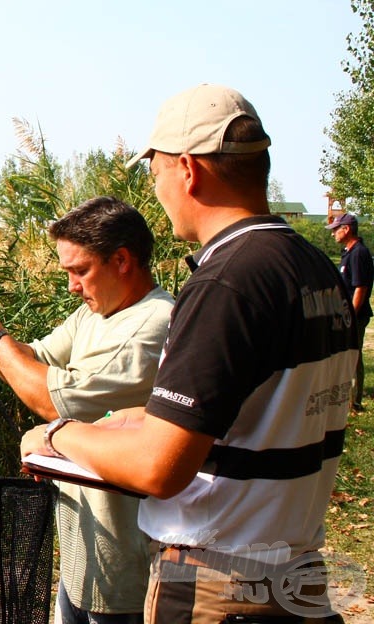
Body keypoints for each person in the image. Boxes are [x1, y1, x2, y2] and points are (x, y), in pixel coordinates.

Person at [21, 84, 355, 623]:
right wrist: (136, 419)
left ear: (188, 169)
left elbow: (161, 469)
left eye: (155, 176)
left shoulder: (226, 281)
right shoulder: (313, 268)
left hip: (219, 584)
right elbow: (256, 416)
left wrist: (60, 434)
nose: (156, 193)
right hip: (296, 573)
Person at [0, 197, 175, 624]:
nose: (72, 286)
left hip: (126, 569)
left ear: (122, 260)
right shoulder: (97, 313)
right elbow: (35, 359)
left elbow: (57, 399)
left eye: (79, 271)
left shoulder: (150, 323)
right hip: (84, 554)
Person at [327, 212, 373, 411]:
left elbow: (360, 288)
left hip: (355, 315)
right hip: (346, 313)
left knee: (353, 356)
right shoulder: (349, 252)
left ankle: (354, 402)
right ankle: (345, 397)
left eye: (336, 230)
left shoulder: (358, 253)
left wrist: (351, 316)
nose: (333, 234)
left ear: (346, 229)